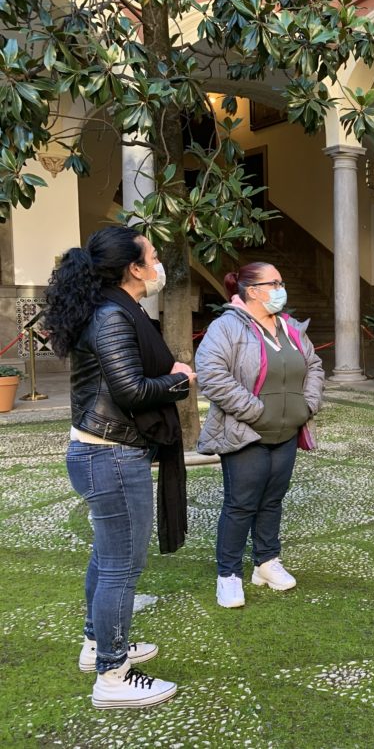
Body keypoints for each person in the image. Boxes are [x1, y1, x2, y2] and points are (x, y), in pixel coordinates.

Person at [45, 226, 194, 709]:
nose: (157, 264)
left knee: (108, 557)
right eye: (152, 255)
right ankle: (113, 674)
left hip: (103, 450)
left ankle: (97, 645)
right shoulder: (112, 314)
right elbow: (130, 391)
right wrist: (177, 381)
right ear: (134, 267)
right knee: (120, 566)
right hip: (109, 453)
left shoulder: (112, 308)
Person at [196, 262, 324, 609]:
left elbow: (313, 365)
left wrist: (308, 404)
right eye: (275, 283)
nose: (282, 289)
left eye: (282, 282)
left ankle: (266, 563)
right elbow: (212, 375)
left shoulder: (291, 327)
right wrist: (255, 411)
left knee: (272, 500)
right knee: (240, 505)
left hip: (286, 432)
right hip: (245, 434)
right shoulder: (226, 327)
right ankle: (229, 575)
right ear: (252, 291)